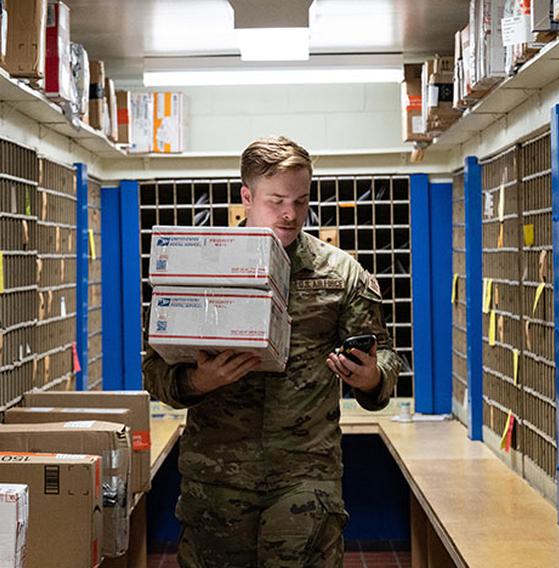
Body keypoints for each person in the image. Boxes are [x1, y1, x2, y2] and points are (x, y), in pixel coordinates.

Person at [143, 136, 402, 567]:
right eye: (277, 200)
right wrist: (197, 381)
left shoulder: (340, 273)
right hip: (217, 479)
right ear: (246, 197)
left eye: (301, 201)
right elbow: (153, 370)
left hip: (304, 477)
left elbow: (387, 356)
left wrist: (372, 378)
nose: (290, 214)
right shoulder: (204, 265)